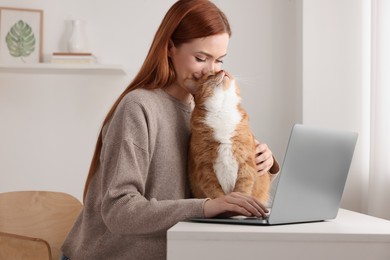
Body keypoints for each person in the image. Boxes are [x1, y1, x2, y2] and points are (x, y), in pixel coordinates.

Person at [61, 0, 279, 259]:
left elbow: (208, 189)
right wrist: (206, 208)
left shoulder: (203, 112)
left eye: (219, 60)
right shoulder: (139, 107)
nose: (212, 71)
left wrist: (261, 164)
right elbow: (119, 210)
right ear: (169, 48)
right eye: (201, 58)